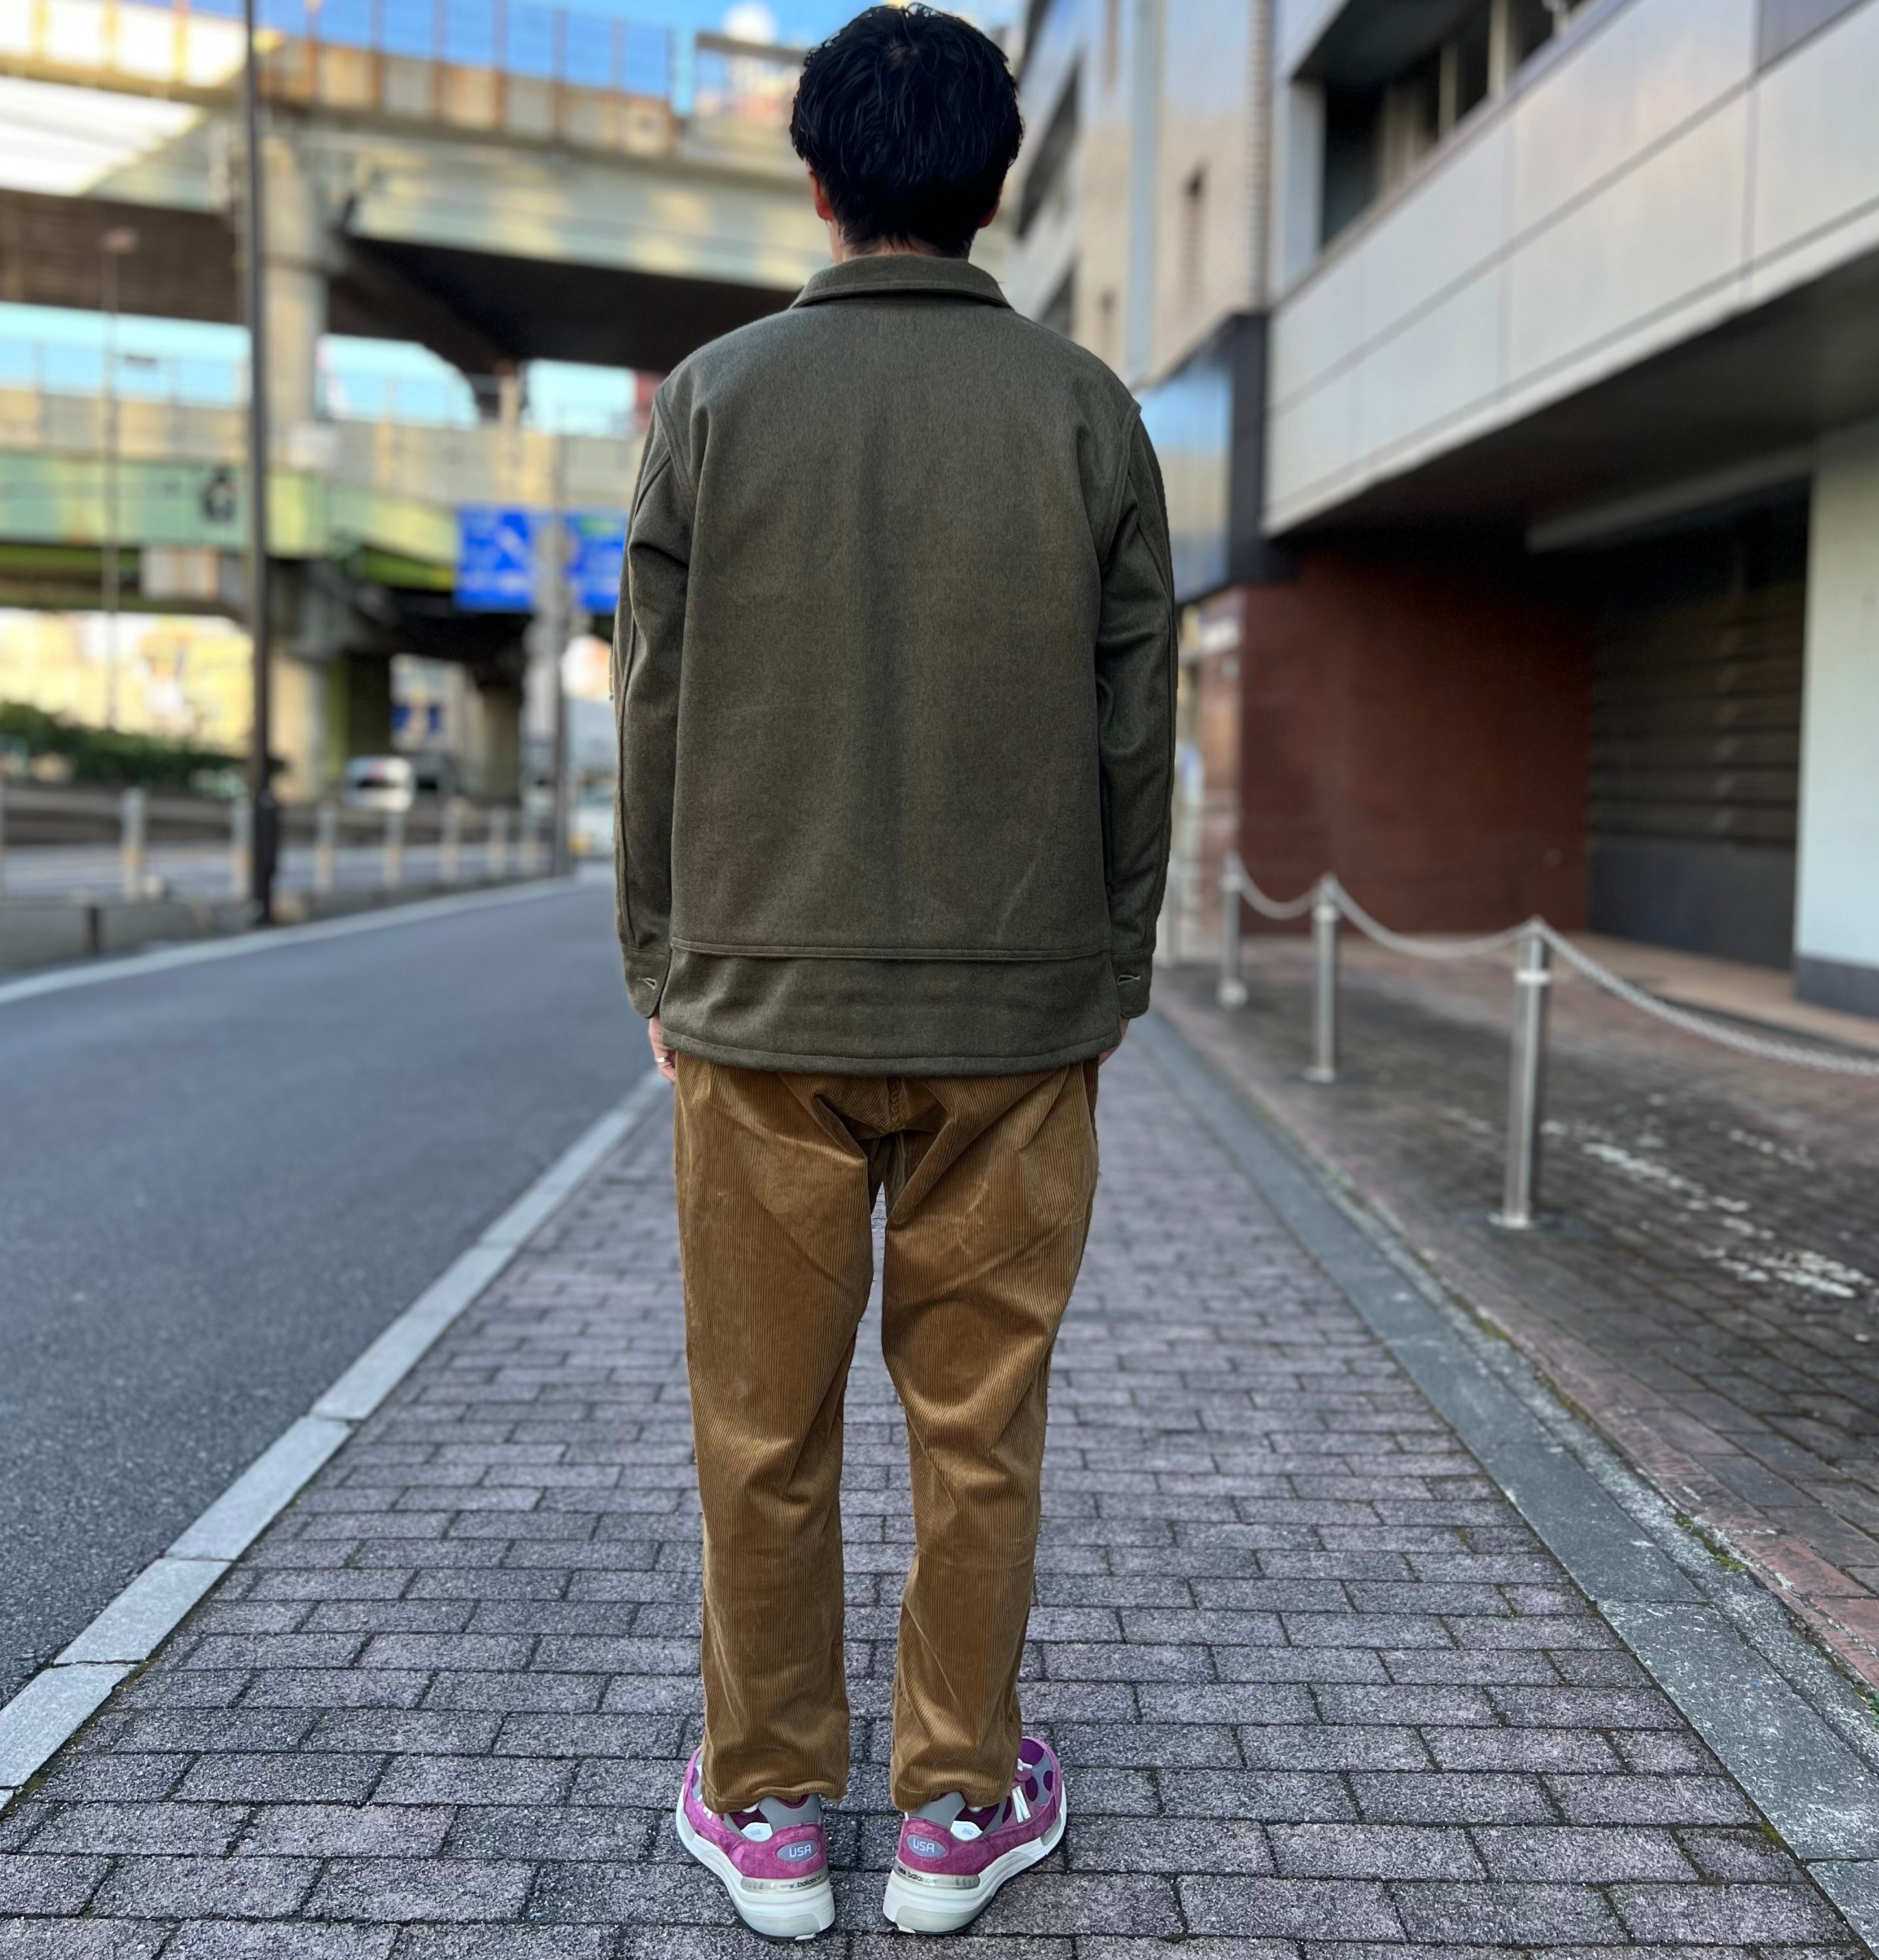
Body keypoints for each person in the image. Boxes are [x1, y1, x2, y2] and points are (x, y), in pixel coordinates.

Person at [612, 3, 1176, 1937]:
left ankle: (767, 1806)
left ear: (819, 179)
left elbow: (654, 708)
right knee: (978, 1426)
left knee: (759, 1429)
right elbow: (1136, 724)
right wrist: (1107, 969)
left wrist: (663, 965)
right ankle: (954, 1810)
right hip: (1017, 1015)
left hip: (759, 1007)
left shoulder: (714, 400)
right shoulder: (1086, 409)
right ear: (993, 185)